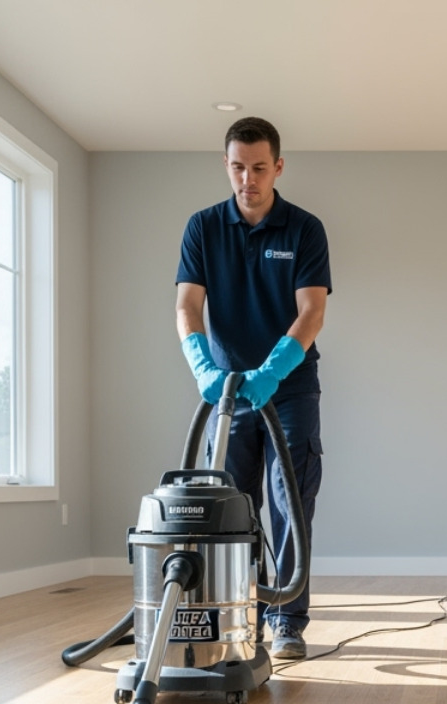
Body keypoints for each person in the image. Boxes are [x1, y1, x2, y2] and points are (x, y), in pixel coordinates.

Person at [174, 117, 330, 660]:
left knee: (290, 500)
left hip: (286, 386)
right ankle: (243, 615)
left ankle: (287, 619)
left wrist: (274, 370)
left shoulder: (304, 229)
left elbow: (312, 311)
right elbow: (187, 306)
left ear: (278, 167)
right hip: (226, 391)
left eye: (259, 168)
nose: (248, 179)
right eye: (238, 167)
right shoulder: (203, 227)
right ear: (227, 165)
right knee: (233, 508)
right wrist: (202, 366)